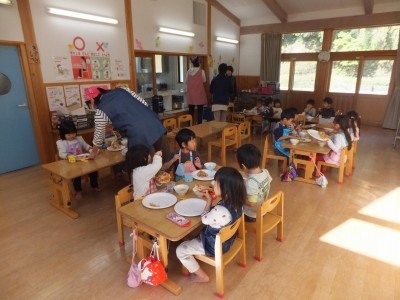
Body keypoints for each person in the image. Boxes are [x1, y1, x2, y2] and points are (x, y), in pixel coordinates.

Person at [176, 167, 246, 283]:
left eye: (215, 183)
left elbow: (204, 218)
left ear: (225, 188)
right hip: (228, 240)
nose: (213, 186)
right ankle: (191, 242)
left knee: (180, 250)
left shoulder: (220, 210)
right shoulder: (238, 203)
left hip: (214, 246)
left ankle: (202, 276)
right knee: (194, 233)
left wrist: (208, 201)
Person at [86, 86, 168, 160]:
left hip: (138, 133)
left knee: (141, 163)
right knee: (166, 157)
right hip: (155, 122)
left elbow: (98, 136)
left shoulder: (100, 111)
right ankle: (172, 174)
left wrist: (93, 153)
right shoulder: (123, 89)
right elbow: (144, 103)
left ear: (92, 100)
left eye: (88, 103)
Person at [56, 120, 100, 200]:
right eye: (69, 135)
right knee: (76, 174)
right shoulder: (61, 142)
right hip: (70, 163)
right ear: (63, 134)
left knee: (93, 168)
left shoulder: (79, 138)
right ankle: (78, 191)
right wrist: (68, 156)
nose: (72, 136)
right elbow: (61, 154)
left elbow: (86, 146)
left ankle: (94, 185)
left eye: (73, 133)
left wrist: (90, 149)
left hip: (81, 161)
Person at [236, 144, 272, 222]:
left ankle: (239, 230)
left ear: (243, 166)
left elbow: (252, 203)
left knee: (233, 208)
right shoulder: (265, 172)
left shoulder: (251, 182)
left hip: (252, 215)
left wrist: (240, 199)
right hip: (263, 209)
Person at [186, 56, 207, 124]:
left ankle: (190, 125)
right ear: (199, 63)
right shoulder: (202, 71)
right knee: (200, 112)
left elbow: (186, 81)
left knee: (191, 112)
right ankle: (199, 126)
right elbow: (204, 80)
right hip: (199, 94)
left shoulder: (188, 71)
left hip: (191, 94)